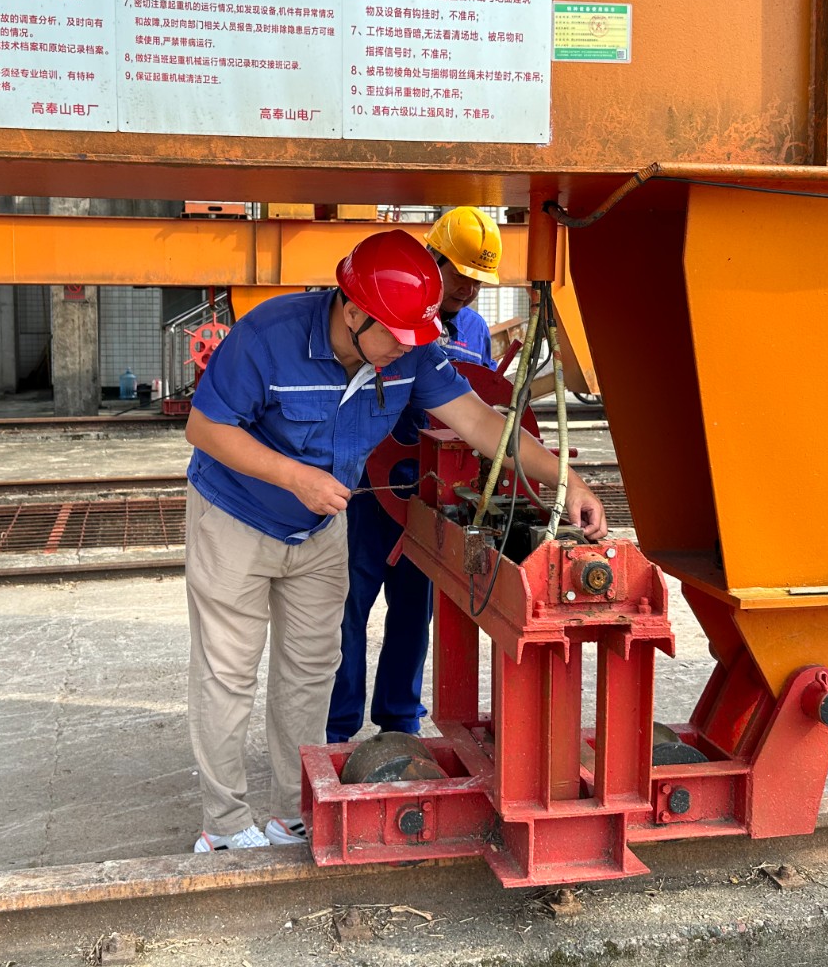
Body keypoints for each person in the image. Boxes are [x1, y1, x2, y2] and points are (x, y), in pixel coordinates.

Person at [183, 228, 606, 853]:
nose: (405, 350)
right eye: (395, 336)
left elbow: (481, 422)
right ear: (353, 311)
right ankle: (222, 825)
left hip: (320, 526)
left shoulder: (409, 351)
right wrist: (296, 477)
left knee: (309, 671)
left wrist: (565, 478)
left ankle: (291, 810)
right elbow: (205, 428)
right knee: (229, 672)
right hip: (235, 520)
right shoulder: (268, 336)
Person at [327, 207, 502, 746]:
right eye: (462, 275)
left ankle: (399, 725)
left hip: (431, 498)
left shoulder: (474, 331)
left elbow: (479, 410)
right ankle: (337, 727)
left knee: (414, 610)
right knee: (348, 608)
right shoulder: (382, 313)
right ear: (433, 258)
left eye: (479, 281)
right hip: (368, 490)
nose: (469, 290)